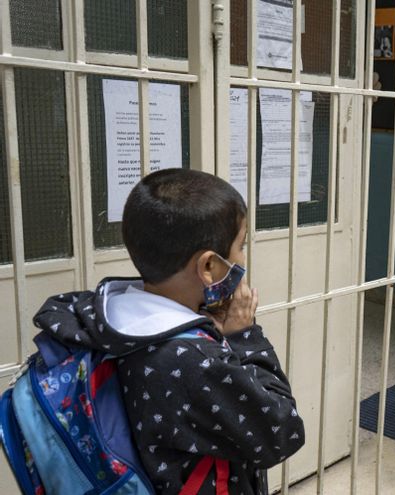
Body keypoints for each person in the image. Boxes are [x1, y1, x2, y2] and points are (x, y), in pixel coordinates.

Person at [32, 169, 305, 494]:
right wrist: (244, 336)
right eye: (240, 245)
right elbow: (281, 432)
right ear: (208, 267)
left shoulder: (104, 319)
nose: (243, 257)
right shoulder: (192, 361)